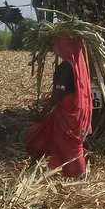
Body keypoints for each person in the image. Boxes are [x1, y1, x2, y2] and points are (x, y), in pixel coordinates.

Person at [25, 36, 92, 177]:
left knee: (69, 144)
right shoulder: (79, 64)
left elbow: (58, 93)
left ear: (65, 46)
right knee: (68, 143)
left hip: (67, 111)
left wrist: (46, 109)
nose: (55, 47)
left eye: (57, 44)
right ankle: (63, 170)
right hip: (75, 109)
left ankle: (78, 173)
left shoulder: (65, 67)